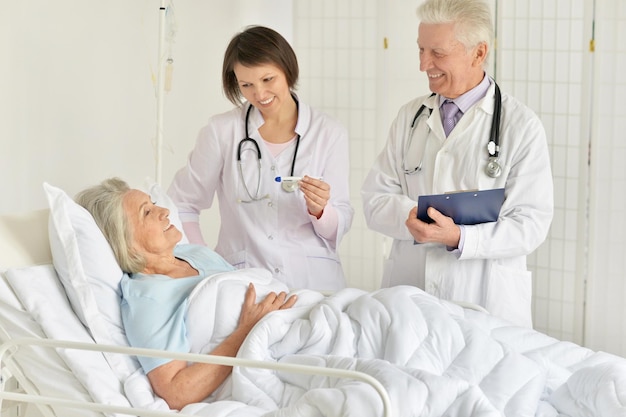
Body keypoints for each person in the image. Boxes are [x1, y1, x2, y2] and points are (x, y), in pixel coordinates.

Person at [361, 0, 553, 328]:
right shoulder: (410, 117)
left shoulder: (520, 126)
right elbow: (374, 200)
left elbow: (530, 224)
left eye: (437, 53)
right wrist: (412, 216)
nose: (424, 64)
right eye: (420, 50)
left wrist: (460, 238)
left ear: (478, 53)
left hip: (485, 304)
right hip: (410, 301)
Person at [75, 178, 298, 410]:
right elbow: (176, 391)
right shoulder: (147, 298)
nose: (163, 211)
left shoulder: (196, 253)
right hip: (269, 355)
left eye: (154, 203)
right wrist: (247, 331)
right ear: (126, 241)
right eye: (147, 212)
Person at [168, 25, 353, 292]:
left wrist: (320, 210)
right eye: (247, 85)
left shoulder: (329, 133)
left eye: (268, 80)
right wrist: (203, 264)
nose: (260, 94)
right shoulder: (222, 131)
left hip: (313, 284)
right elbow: (182, 204)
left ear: (287, 69)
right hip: (244, 284)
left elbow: (339, 225)